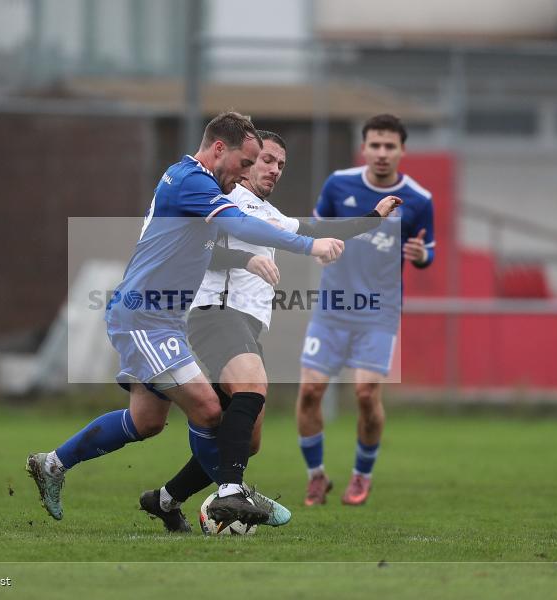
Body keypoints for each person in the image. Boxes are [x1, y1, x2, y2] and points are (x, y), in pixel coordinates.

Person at [25, 112, 345, 526]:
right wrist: (307, 245)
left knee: (146, 422)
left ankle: (53, 464)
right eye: (245, 163)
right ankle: (233, 492)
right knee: (210, 408)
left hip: (163, 320)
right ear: (218, 150)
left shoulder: (194, 183)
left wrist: (247, 258)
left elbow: (209, 245)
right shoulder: (192, 181)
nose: (246, 173)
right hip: (143, 317)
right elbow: (240, 222)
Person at [138, 129, 402, 532]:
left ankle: (165, 499)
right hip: (216, 313)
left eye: (281, 164)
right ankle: (230, 492)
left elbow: (312, 230)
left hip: (245, 324)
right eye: (266, 160)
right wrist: (244, 259)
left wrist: (374, 217)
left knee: (246, 440)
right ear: (246, 162)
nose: (274, 169)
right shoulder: (223, 200)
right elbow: (196, 251)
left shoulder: (268, 212)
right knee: (251, 389)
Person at [296, 113, 435, 507]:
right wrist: (320, 248)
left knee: (365, 393)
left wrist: (422, 255)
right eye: (375, 144)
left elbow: (430, 251)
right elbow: (317, 230)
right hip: (332, 306)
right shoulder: (339, 184)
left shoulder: (420, 200)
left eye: (390, 145)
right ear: (364, 147)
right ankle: (316, 478)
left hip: (379, 310)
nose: (382, 152)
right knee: (310, 391)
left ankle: (362, 474)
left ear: (402, 151)